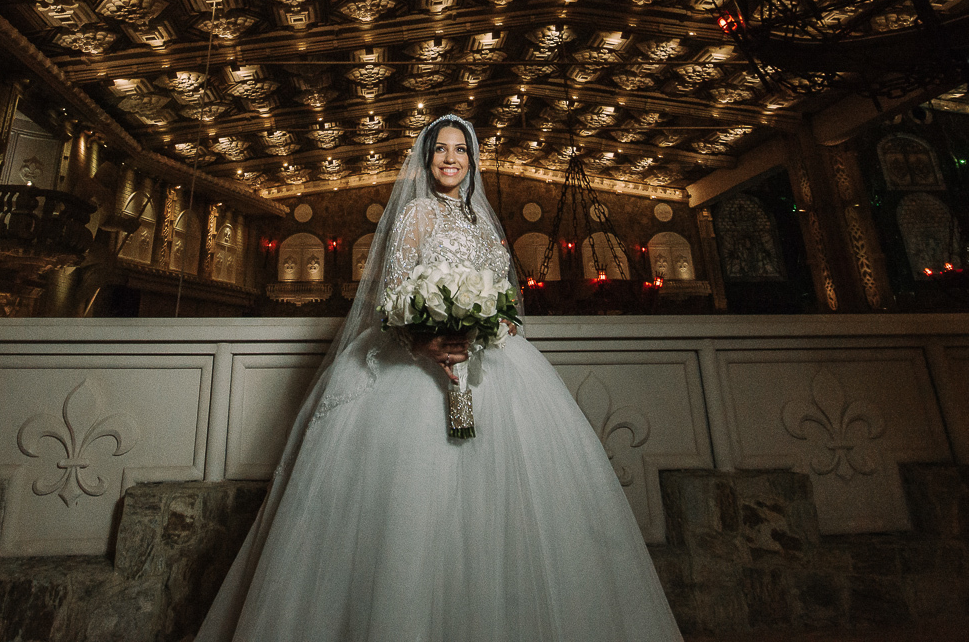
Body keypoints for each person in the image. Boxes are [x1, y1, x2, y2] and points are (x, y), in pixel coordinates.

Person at [195, 113, 683, 642]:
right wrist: (424, 340)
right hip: (416, 362)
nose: (451, 158)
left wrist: (487, 328)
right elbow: (392, 296)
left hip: (492, 365)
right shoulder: (416, 217)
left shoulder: (483, 223)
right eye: (440, 150)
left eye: (460, 150)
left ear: (472, 160)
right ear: (427, 161)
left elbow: (505, 300)